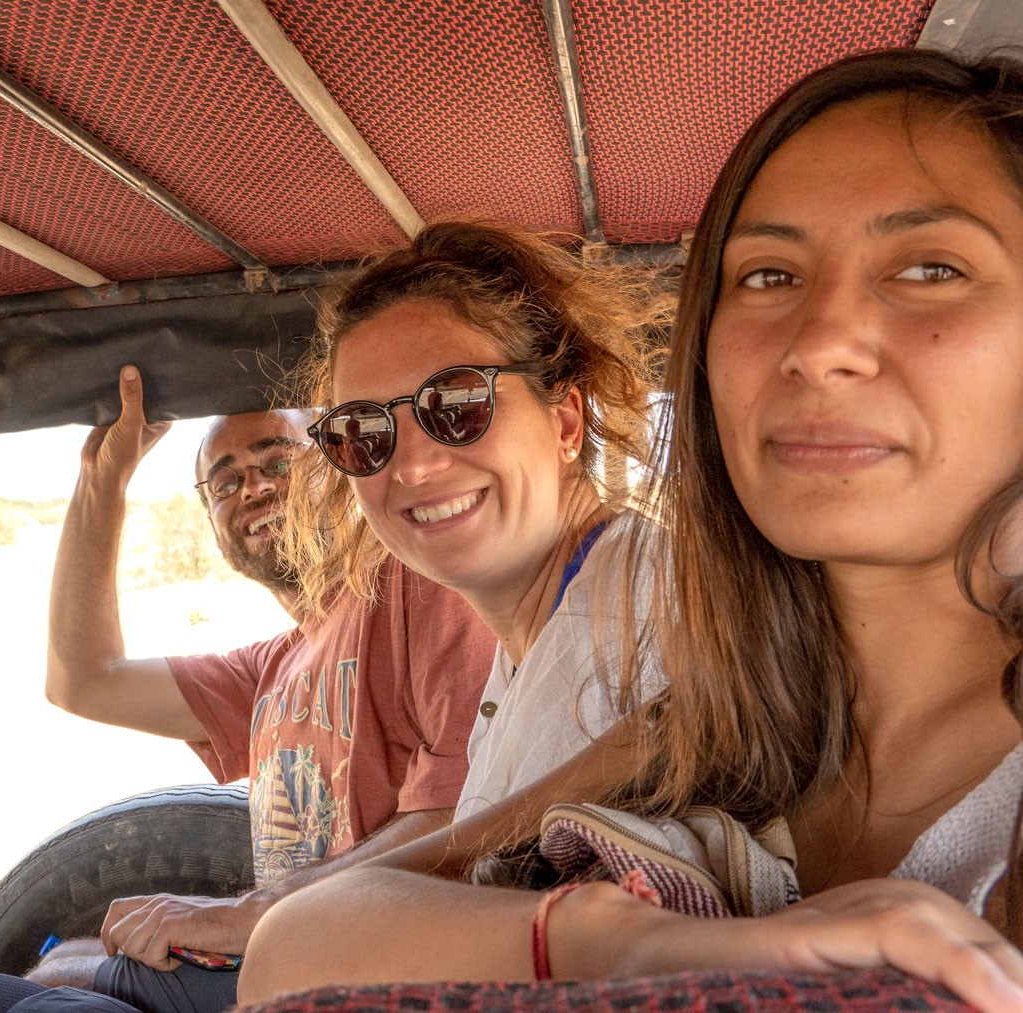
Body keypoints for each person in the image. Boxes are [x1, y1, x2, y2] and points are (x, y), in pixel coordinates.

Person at [239, 48, 1023, 1013]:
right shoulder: (727, 714)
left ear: (567, 422)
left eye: (931, 267)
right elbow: (302, 944)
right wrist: (633, 942)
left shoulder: (635, 627)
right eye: (769, 275)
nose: (820, 342)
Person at [0, 367, 495, 1013]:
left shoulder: (411, 586)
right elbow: (82, 680)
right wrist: (103, 479)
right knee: (17, 971)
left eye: (277, 459)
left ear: (336, 467)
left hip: (379, 969)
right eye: (225, 481)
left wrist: (250, 909)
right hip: (286, 949)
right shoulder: (269, 667)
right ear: (211, 519)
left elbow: (475, 816)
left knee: (10, 991)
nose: (254, 487)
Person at [281, 220, 664, 825]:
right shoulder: (533, 651)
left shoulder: (656, 615)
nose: (412, 467)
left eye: (457, 405)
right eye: (365, 431)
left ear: (565, 422)